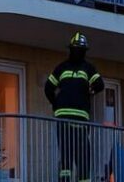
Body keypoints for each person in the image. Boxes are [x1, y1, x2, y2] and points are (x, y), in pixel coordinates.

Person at [45, 33, 105, 182]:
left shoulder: (65, 67)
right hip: (76, 120)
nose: (78, 52)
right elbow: (99, 85)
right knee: (79, 157)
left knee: (72, 156)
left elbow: (48, 88)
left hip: (70, 119)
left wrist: (56, 105)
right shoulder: (85, 68)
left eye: (80, 50)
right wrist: (89, 91)